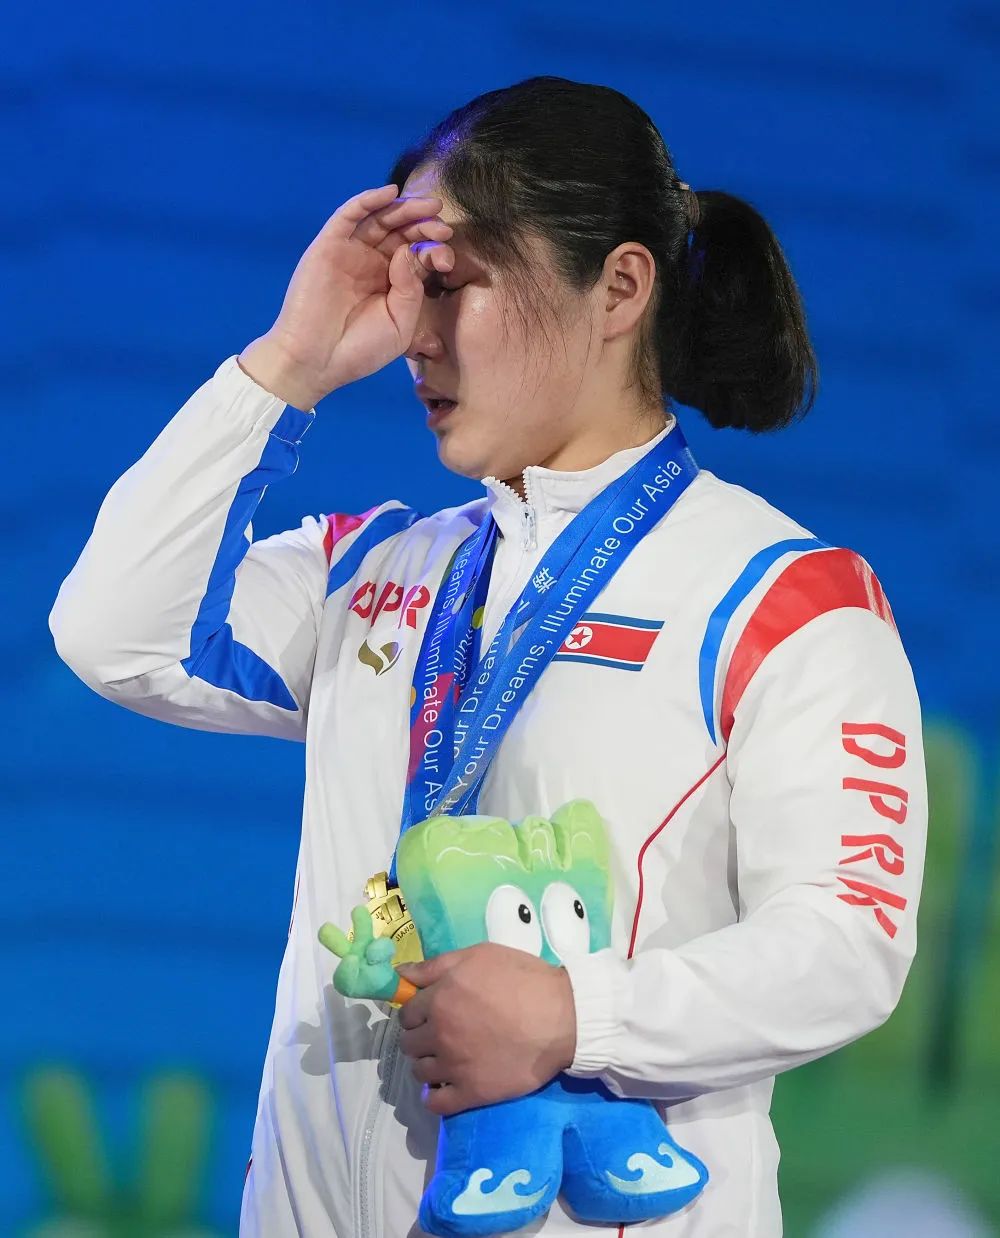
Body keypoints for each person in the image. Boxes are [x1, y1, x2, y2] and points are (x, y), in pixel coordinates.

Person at [48, 75, 927, 1237]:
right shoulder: (372, 570)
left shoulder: (781, 595)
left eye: (450, 283)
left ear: (619, 287)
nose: (414, 335)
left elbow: (845, 945)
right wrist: (288, 363)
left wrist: (577, 1013)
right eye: (407, 285)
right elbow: (113, 633)